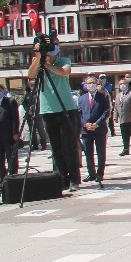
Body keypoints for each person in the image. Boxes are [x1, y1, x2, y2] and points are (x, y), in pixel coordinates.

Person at [28, 37, 81, 192]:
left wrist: (47, 65)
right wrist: (38, 57)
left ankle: (74, 178)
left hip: (66, 108)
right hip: (48, 110)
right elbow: (31, 75)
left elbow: (64, 72)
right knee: (56, 148)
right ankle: (63, 177)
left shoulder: (63, 60)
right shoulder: (37, 61)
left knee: (69, 146)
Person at [77, 75, 110, 183]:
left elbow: (106, 112)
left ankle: (100, 174)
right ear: (85, 85)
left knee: (101, 152)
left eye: (93, 83)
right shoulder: (81, 98)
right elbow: (79, 114)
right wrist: (85, 124)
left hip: (99, 129)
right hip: (86, 130)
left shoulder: (103, 96)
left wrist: (97, 124)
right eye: (89, 83)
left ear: (97, 84)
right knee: (88, 152)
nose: (91, 85)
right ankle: (91, 173)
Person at [0, 83, 20, 185]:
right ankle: (2, 176)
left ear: (3, 91)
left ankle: (12, 175)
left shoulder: (10, 102)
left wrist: (15, 132)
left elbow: (15, 118)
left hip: (8, 135)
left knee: (11, 156)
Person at [23, 77, 48, 152]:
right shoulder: (27, 93)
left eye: (33, 81)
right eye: (30, 82)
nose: (32, 84)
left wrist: (32, 108)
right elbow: (24, 103)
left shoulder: (39, 92)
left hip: (38, 114)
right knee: (32, 131)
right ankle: (35, 145)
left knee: (41, 131)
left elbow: (40, 102)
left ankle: (43, 145)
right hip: (29, 115)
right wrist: (27, 110)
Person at [115, 78, 131, 157]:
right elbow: (116, 106)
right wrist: (115, 117)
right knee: (124, 135)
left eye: (124, 83)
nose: (122, 85)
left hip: (130, 118)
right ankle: (125, 149)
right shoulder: (118, 95)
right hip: (122, 119)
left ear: (127, 84)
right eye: (121, 84)